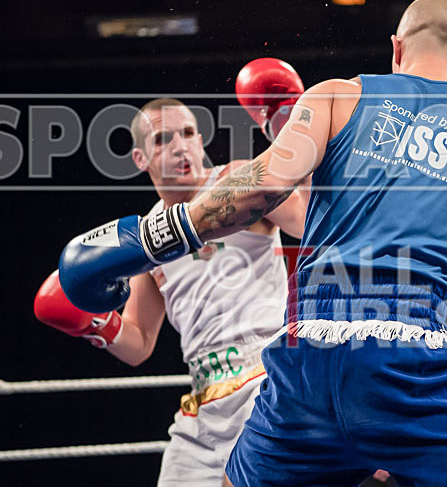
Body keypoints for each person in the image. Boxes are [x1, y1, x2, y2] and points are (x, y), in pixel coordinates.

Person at [57, 0, 447, 486]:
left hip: (302, 364)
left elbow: (261, 188)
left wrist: (147, 239)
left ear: (396, 50)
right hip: (408, 368)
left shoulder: (337, 96)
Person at [36, 60, 310, 486]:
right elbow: (139, 344)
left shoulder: (235, 181)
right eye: (164, 139)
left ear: (201, 140)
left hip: (268, 381)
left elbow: (307, 221)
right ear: (141, 158)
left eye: (187, 134)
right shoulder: (144, 240)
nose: (180, 147)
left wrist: (290, 130)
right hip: (203, 406)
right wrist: (92, 322)